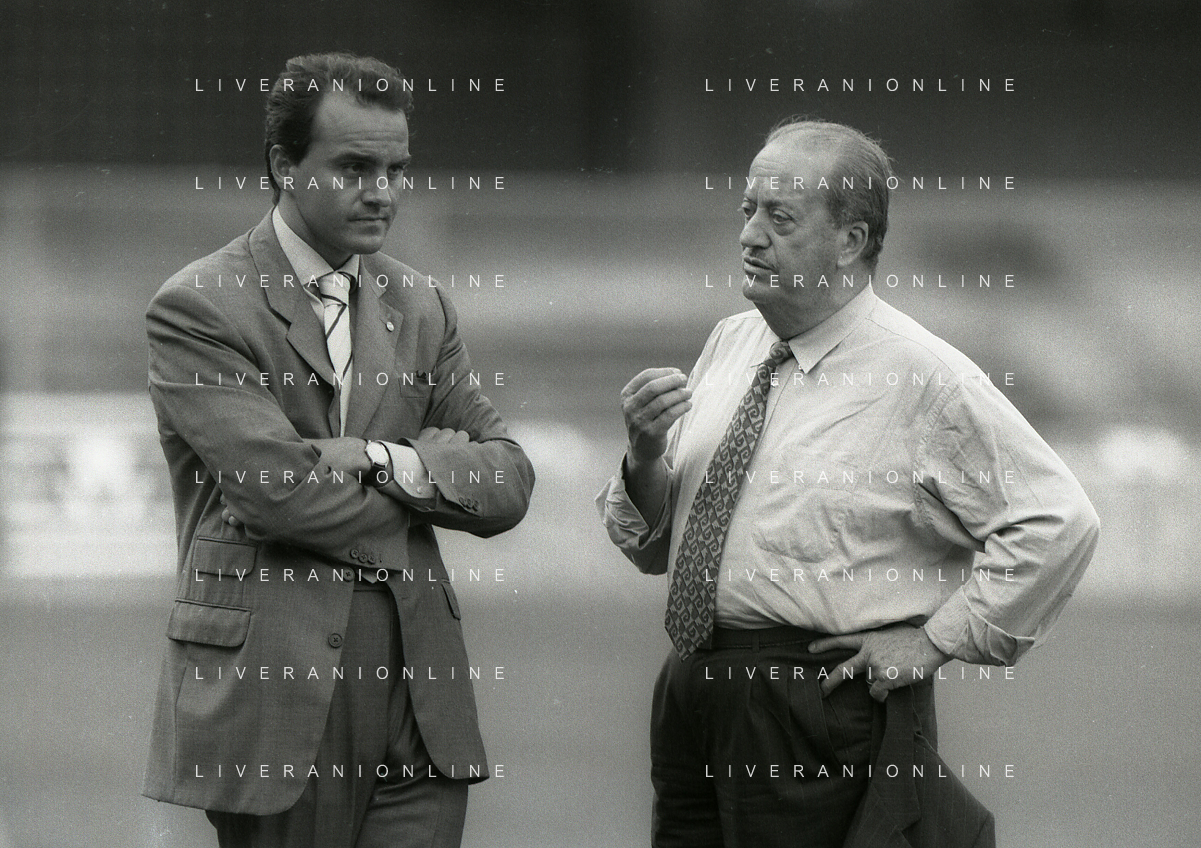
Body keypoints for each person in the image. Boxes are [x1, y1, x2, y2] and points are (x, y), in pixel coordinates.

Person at [597, 119, 1098, 847]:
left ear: (850, 240)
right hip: (692, 690)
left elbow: (1057, 521)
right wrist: (645, 457)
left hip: (815, 698)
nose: (749, 236)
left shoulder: (923, 374)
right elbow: (653, 547)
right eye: (747, 210)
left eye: (780, 218)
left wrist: (934, 640)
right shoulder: (730, 342)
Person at [143, 52, 535, 848]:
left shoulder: (421, 305)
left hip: (420, 706)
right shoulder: (199, 305)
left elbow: (508, 480)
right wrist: (429, 480)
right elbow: (279, 495)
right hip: (277, 700)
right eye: (355, 167)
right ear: (284, 166)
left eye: (396, 170)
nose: (382, 191)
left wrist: (384, 460)